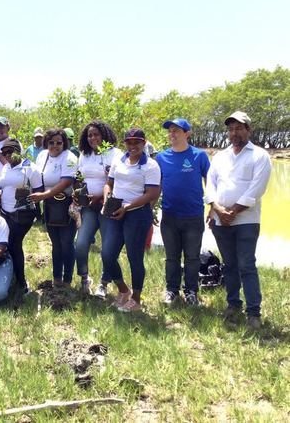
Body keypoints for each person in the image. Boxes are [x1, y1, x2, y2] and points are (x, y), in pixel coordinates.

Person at [205, 111, 272, 329]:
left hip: (246, 220)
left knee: (246, 265)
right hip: (220, 220)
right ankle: (233, 304)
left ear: (248, 130)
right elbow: (211, 185)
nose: (234, 133)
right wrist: (216, 208)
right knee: (229, 265)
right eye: (231, 129)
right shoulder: (220, 156)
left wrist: (231, 212)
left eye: (239, 128)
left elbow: (257, 189)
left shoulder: (260, 155)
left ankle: (254, 313)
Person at [101, 128, 161, 312]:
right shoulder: (118, 160)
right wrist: (107, 199)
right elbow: (109, 183)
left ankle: (136, 299)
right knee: (107, 254)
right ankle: (123, 290)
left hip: (137, 214)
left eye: (137, 142)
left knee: (135, 257)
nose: (133, 146)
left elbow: (153, 193)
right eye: (129, 142)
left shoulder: (150, 166)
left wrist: (127, 207)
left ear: (144, 143)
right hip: (115, 210)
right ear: (124, 143)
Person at [156, 118, 210, 306]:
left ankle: (191, 292)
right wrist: (152, 209)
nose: (172, 134)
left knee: (192, 257)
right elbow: (157, 186)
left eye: (176, 130)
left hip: (194, 216)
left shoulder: (199, 156)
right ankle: (172, 291)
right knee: (171, 257)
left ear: (187, 134)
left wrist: (213, 207)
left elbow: (210, 182)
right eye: (170, 131)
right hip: (169, 216)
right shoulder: (161, 158)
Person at [74, 120, 121, 295]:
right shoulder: (84, 155)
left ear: (104, 135)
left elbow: (119, 181)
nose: (93, 138)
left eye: (96, 134)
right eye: (89, 135)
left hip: (107, 207)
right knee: (80, 244)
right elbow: (79, 177)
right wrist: (78, 192)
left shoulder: (115, 154)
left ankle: (104, 283)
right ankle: (85, 278)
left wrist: (100, 197)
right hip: (89, 207)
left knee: (107, 249)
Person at [0, 138, 43, 294]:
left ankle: (21, 283)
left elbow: (39, 191)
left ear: (18, 152)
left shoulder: (30, 168)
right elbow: (1, 184)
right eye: (5, 152)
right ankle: (12, 278)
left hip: (22, 214)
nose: (7, 155)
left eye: (11, 151)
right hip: (5, 213)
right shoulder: (6, 167)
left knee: (14, 245)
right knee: (8, 245)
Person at [30, 129, 78, 285]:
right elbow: (36, 177)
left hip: (66, 203)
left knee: (67, 242)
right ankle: (57, 278)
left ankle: (68, 279)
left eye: (59, 142)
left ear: (64, 143)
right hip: (50, 205)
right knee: (56, 243)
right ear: (46, 143)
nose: (55, 145)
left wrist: (43, 196)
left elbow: (66, 182)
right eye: (51, 142)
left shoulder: (69, 157)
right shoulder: (42, 156)